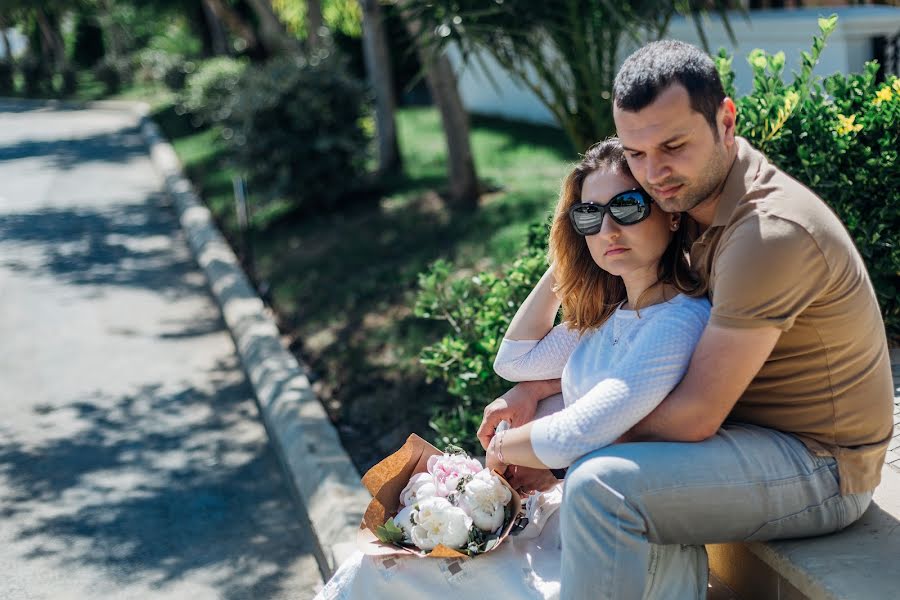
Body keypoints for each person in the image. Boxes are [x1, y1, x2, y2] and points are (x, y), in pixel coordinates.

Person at [478, 40, 894, 600]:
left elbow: (693, 414)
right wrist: (536, 391)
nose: (654, 173)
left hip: (821, 464)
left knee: (603, 487)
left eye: (673, 145)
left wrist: (563, 445)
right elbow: (647, 355)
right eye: (638, 153)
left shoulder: (766, 233)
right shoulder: (689, 205)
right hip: (748, 430)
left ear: (726, 120)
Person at [315, 138, 713, 600]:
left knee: (405, 579)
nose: (608, 229)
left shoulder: (680, 319)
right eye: (588, 215)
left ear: (671, 211)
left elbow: (583, 432)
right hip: (567, 518)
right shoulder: (609, 315)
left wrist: (510, 451)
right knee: (385, 565)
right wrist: (569, 261)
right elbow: (514, 359)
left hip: (622, 541)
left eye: (626, 207)